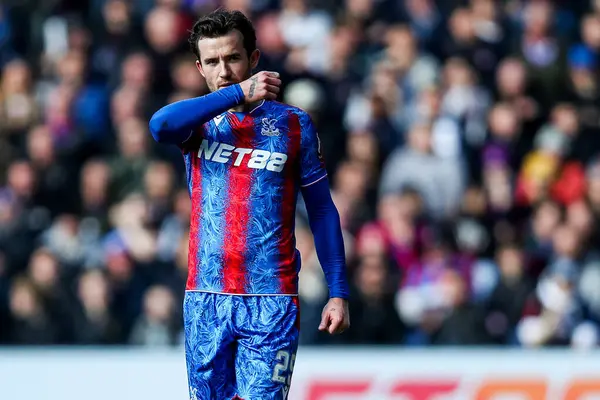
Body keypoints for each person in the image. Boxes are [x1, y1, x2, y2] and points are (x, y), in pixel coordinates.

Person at [148, 9, 350, 400]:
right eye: (212, 62)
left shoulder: (294, 124)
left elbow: (323, 211)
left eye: (233, 58)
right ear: (200, 68)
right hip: (206, 296)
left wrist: (338, 290)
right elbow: (159, 126)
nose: (224, 70)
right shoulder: (196, 123)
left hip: (271, 298)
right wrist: (238, 93)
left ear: (254, 58)